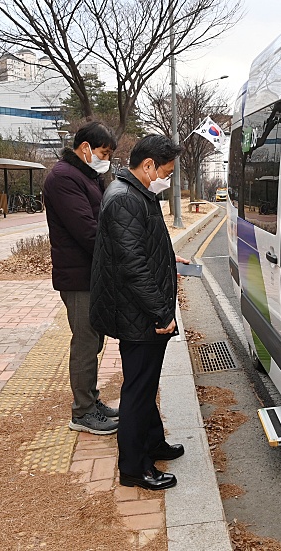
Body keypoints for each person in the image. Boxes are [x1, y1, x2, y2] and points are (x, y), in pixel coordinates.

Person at [90, 134, 188, 491]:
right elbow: (132, 267)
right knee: (137, 390)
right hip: (140, 315)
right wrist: (162, 314)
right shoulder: (125, 199)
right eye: (167, 171)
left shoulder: (136, 193)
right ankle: (134, 467)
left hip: (139, 311)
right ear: (148, 166)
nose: (169, 178)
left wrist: (169, 258)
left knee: (145, 385)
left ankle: (152, 442)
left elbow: (139, 248)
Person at [42, 121, 120, 435]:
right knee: (86, 343)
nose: (106, 159)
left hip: (92, 273)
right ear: (85, 147)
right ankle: (82, 411)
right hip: (78, 277)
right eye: (103, 152)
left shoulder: (88, 176)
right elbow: (87, 230)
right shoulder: (63, 178)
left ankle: (92, 400)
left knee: (94, 340)